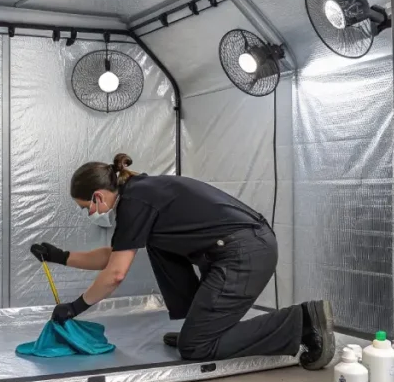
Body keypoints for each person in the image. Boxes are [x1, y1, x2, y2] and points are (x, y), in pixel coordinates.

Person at [29, 153, 335, 370]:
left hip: (244, 253)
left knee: (196, 348)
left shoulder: (135, 202)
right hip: (235, 250)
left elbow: (116, 274)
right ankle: (199, 326)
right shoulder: (138, 194)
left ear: (98, 196)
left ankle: (303, 321)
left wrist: (76, 307)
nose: (91, 214)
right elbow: (113, 257)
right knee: (156, 246)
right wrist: (60, 257)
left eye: (87, 208)